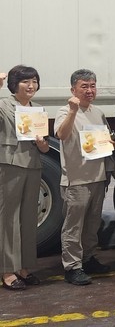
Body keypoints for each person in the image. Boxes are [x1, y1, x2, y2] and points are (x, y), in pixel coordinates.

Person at [54, 69, 114, 285]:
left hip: (97, 177)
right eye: (84, 86)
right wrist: (72, 110)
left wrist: (109, 144)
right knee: (74, 226)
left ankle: (88, 258)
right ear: (73, 90)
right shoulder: (64, 111)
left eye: (92, 86)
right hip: (76, 179)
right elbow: (61, 134)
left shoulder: (98, 112)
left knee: (92, 224)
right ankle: (72, 267)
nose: (89, 90)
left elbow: (105, 140)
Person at [0, 66, 49, 291]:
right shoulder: (4, 105)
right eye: (25, 81)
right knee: (8, 218)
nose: (31, 86)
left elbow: (45, 147)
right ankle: (7, 270)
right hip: (10, 164)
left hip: (33, 164)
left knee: (29, 218)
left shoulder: (38, 109)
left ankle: (24, 267)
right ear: (14, 84)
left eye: (34, 81)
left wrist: (42, 143)